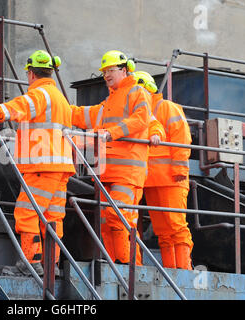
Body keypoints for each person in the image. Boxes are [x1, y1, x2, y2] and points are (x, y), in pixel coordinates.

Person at [0, 50, 75, 275]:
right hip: (60, 168)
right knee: (52, 218)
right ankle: (52, 266)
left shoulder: (40, 94)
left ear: (31, 74)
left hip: (42, 166)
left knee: (26, 212)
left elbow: (20, 106)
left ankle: (30, 263)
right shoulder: (61, 98)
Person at [70, 50, 153, 265]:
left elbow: (141, 120)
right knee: (107, 222)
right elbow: (84, 115)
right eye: (104, 71)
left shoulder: (137, 92)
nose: (106, 75)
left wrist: (112, 132)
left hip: (127, 172)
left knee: (118, 217)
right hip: (108, 172)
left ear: (124, 70)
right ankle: (114, 264)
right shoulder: (110, 101)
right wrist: (60, 108)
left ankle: (127, 266)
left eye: (111, 70)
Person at [133, 71, 193, 270]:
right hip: (151, 180)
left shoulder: (165, 107)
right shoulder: (140, 113)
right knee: (162, 231)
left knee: (176, 226)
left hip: (170, 179)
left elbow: (182, 138)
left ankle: (184, 271)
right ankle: (172, 271)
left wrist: (179, 170)